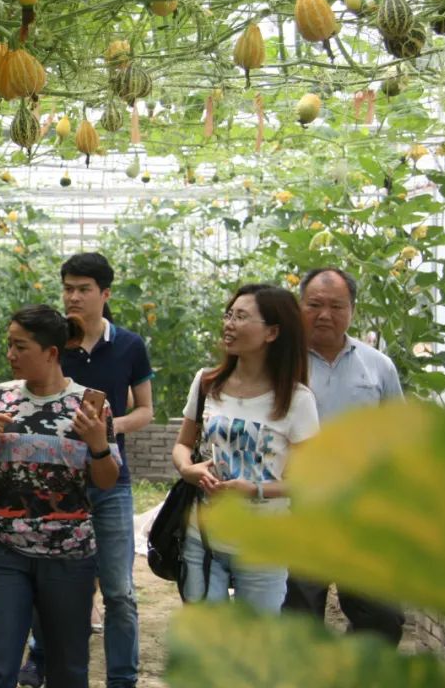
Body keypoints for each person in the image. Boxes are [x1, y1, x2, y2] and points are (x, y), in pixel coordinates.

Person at [0, 305, 122, 688]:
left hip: (69, 555)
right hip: (2, 551)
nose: (10, 355)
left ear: (51, 352)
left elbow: (107, 481)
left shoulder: (89, 406)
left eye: (20, 347)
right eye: (9, 344)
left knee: (68, 671)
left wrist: (98, 444)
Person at [20, 252, 154, 688]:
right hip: (57, 481)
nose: (73, 297)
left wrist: (107, 429)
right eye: (68, 288)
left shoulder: (129, 345)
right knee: (50, 581)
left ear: (105, 293)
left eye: (83, 289)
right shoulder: (53, 343)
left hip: (111, 480)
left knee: (119, 591)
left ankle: (122, 678)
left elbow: (145, 410)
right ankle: (40, 657)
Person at [171, 283, 319, 612]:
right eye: (228, 315)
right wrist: (187, 469)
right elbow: (182, 444)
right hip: (203, 537)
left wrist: (255, 490)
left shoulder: (297, 400)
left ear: (272, 332)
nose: (229, 324)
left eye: (241, 317)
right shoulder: (207, 383)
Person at [283, 267, 406, 644]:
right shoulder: (279, 364)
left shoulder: (378, 365)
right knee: (299, 617)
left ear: (352, 310)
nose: (325, 314)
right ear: (299, 307)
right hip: (298, 508)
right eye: (314, 304)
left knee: (381, 617)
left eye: (336, 306)